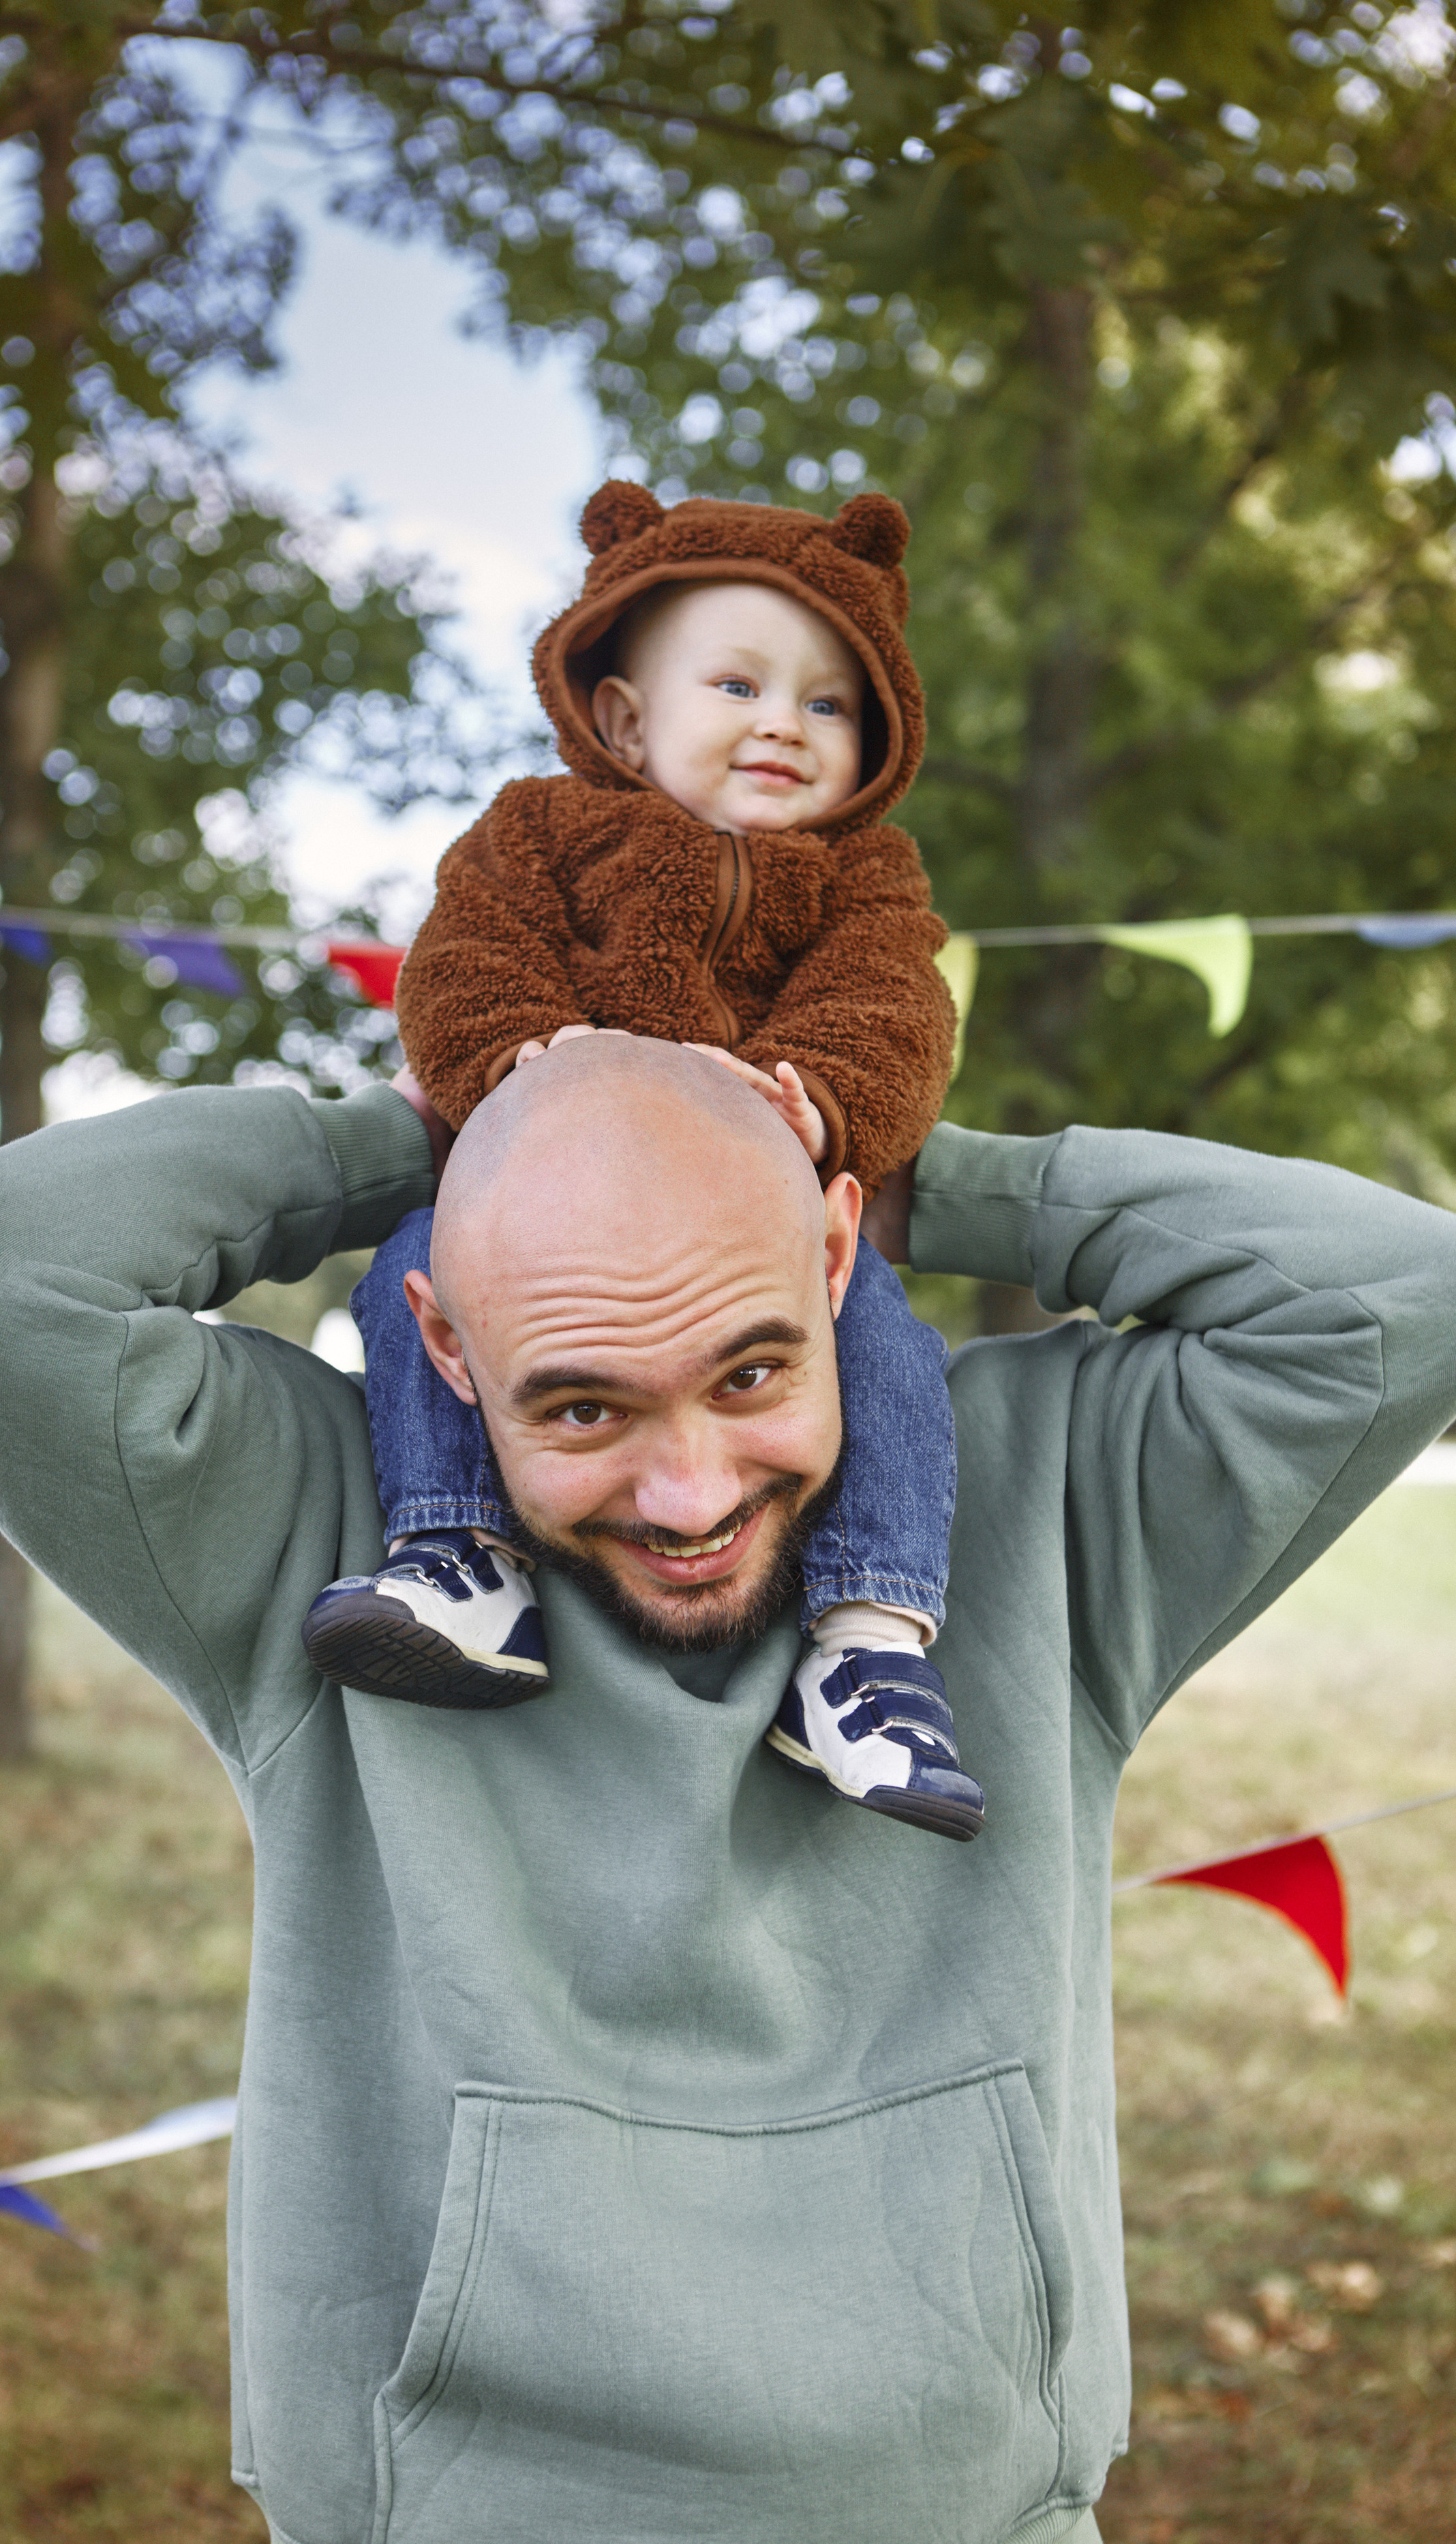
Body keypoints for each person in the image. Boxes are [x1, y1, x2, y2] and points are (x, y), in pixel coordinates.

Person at [0, 1033, 1456, 2544]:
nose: (687, 1493)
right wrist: (443, 1130)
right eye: (580, 1403)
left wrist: (908, 1161)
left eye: (749, 1375)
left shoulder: (1041, 1500)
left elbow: (1412, 1293)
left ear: (826, 1253)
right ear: (441, 1339)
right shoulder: (334, 1541)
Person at [305, 479, 985, 1836]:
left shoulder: (864, 880)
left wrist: (823, 1106)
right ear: (621, 716)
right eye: (736, 684)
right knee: (408, 1278)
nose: (784, 723)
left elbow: (896, 1013)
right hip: (540, 1229)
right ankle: (457, 1550)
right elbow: (460, 969)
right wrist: (507, 1065)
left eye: (828, 702)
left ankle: (867, 1645)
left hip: (763, 1235)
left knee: (890, 1349)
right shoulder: (534, 835)